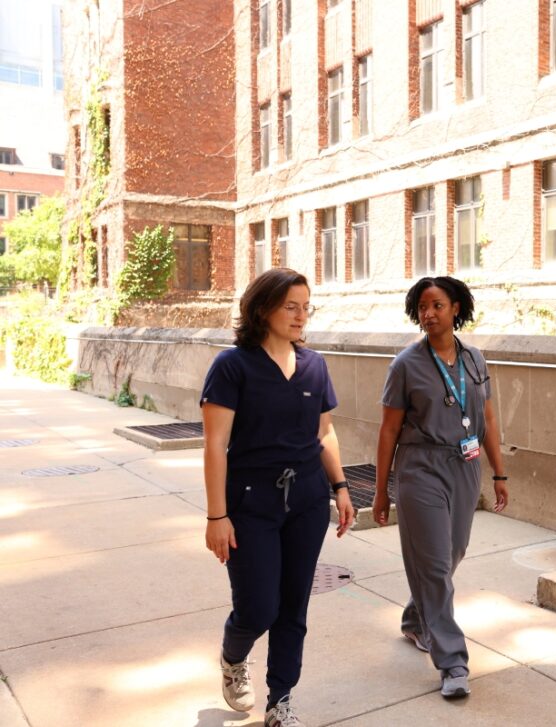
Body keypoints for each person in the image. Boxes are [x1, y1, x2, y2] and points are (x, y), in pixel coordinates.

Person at [201, 267, 355, 727]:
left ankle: (280, 701)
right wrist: (216, 516)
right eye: (291, 306)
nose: (301, 315)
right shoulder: (232, 366)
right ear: (263, 308)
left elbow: (324, 432)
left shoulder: (314, 365)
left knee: (293, 607)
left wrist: (341, 487)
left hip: (307, 499)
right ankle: (234, 656)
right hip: (251, 503)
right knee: (258, 609)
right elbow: (214, 445)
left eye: (306, 307)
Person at [372, 276, 509, 699]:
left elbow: (487, 419)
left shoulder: (474, 359)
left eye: (436, 305)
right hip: (421, 469)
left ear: (456, 309)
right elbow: (388, 430)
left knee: (452, 553)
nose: (428, 314)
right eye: (422, 308)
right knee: (433, 566)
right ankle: (452, 662)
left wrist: (499, 473)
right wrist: (381, 490)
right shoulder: (406, 365)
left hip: (465, 466)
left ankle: (417, 619)